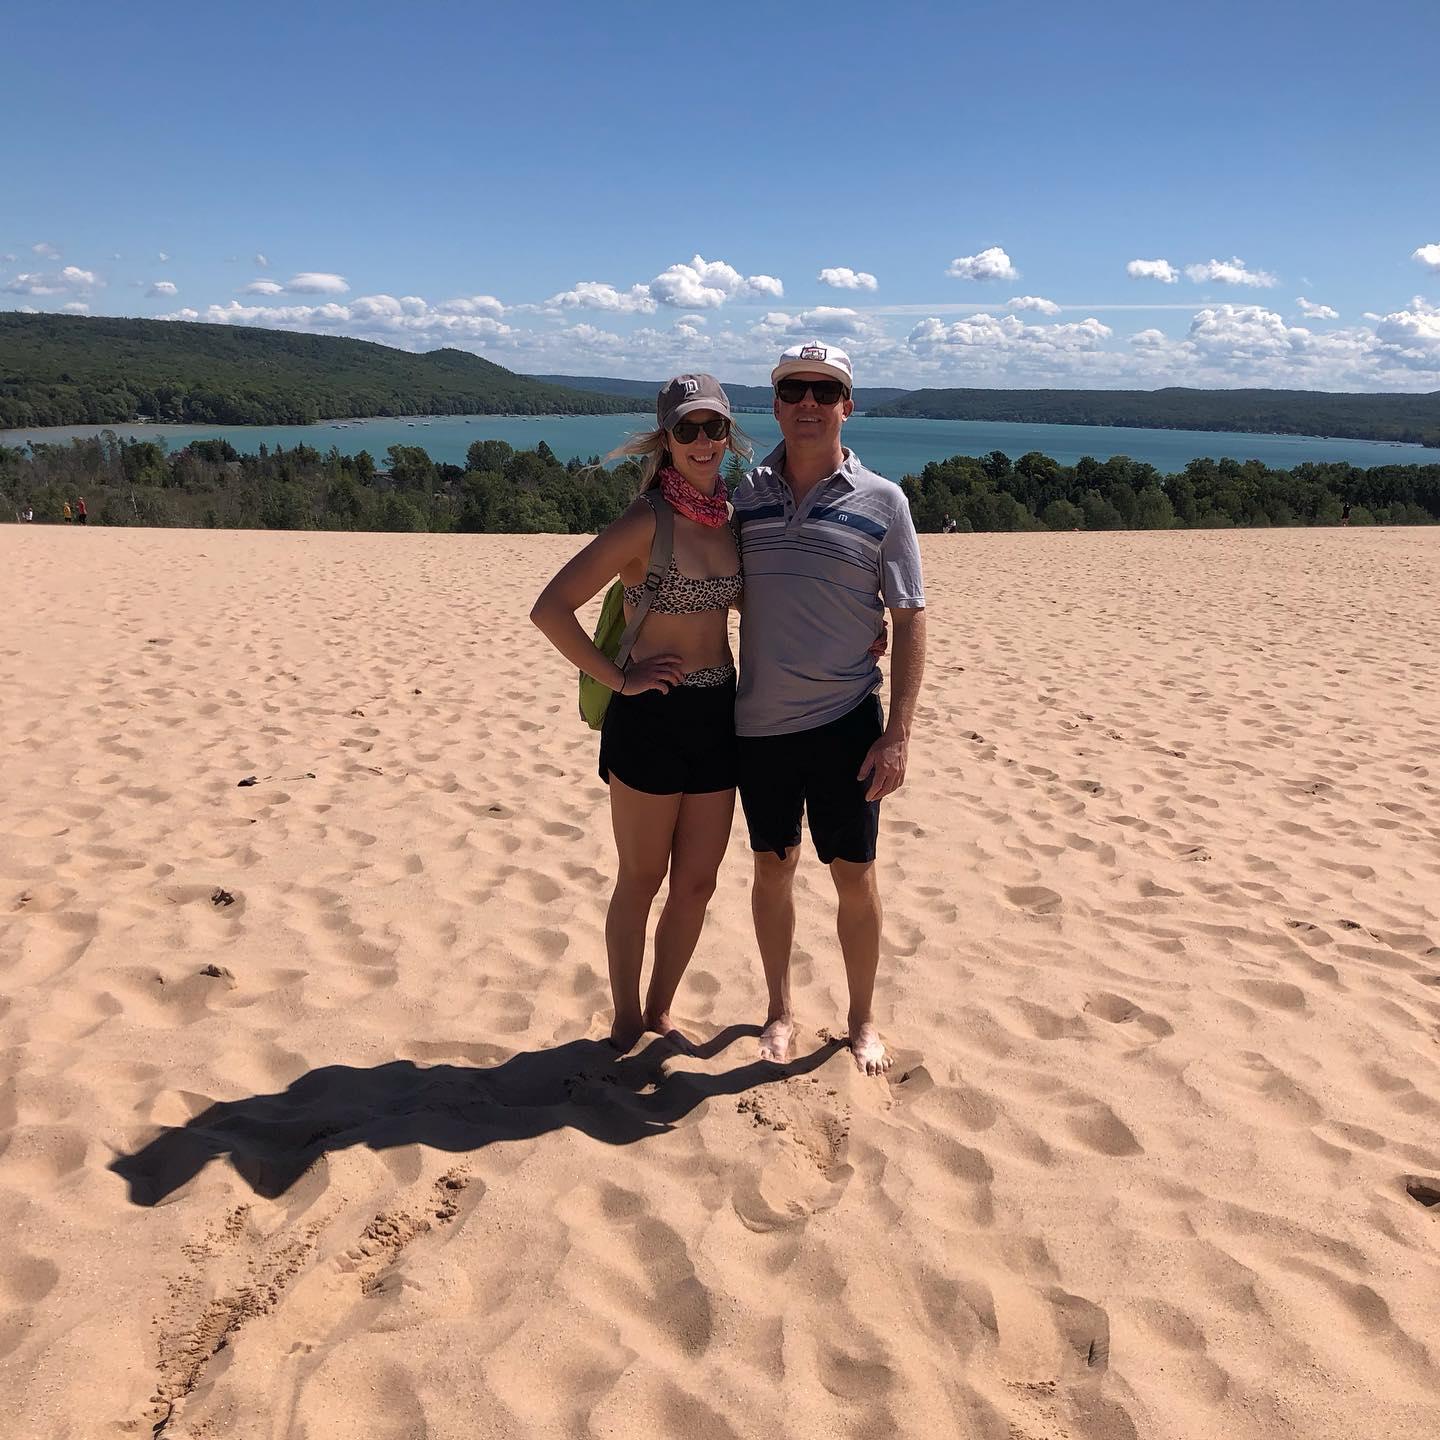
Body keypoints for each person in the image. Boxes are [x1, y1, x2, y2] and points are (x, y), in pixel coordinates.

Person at [531, 376, 746, 1052]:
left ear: (729, 434)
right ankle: (626, 1018)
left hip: (718, 716)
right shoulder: (643, 522)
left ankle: (659, 1011)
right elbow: (550, 609)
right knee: (642, 878)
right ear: (665, 441)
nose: (703, 442)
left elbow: (752, 607)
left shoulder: (733, 519)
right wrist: (620, 680)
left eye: (713, 427)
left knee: (698, 883)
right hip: (650, 719)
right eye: (688, 430)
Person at [731, 342, 927, 1076]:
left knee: (856, 875)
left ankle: (862, 1019)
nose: (808, 403)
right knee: (771, 867)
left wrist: (899, 734)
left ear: (848, 404)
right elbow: (719, 577)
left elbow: (909, 620)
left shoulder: (884, 502)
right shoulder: (741, 495)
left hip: (849, 723)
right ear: (775, 403)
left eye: (825, 390)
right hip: (759, 726)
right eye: (793, 390)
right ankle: (779, 1010)